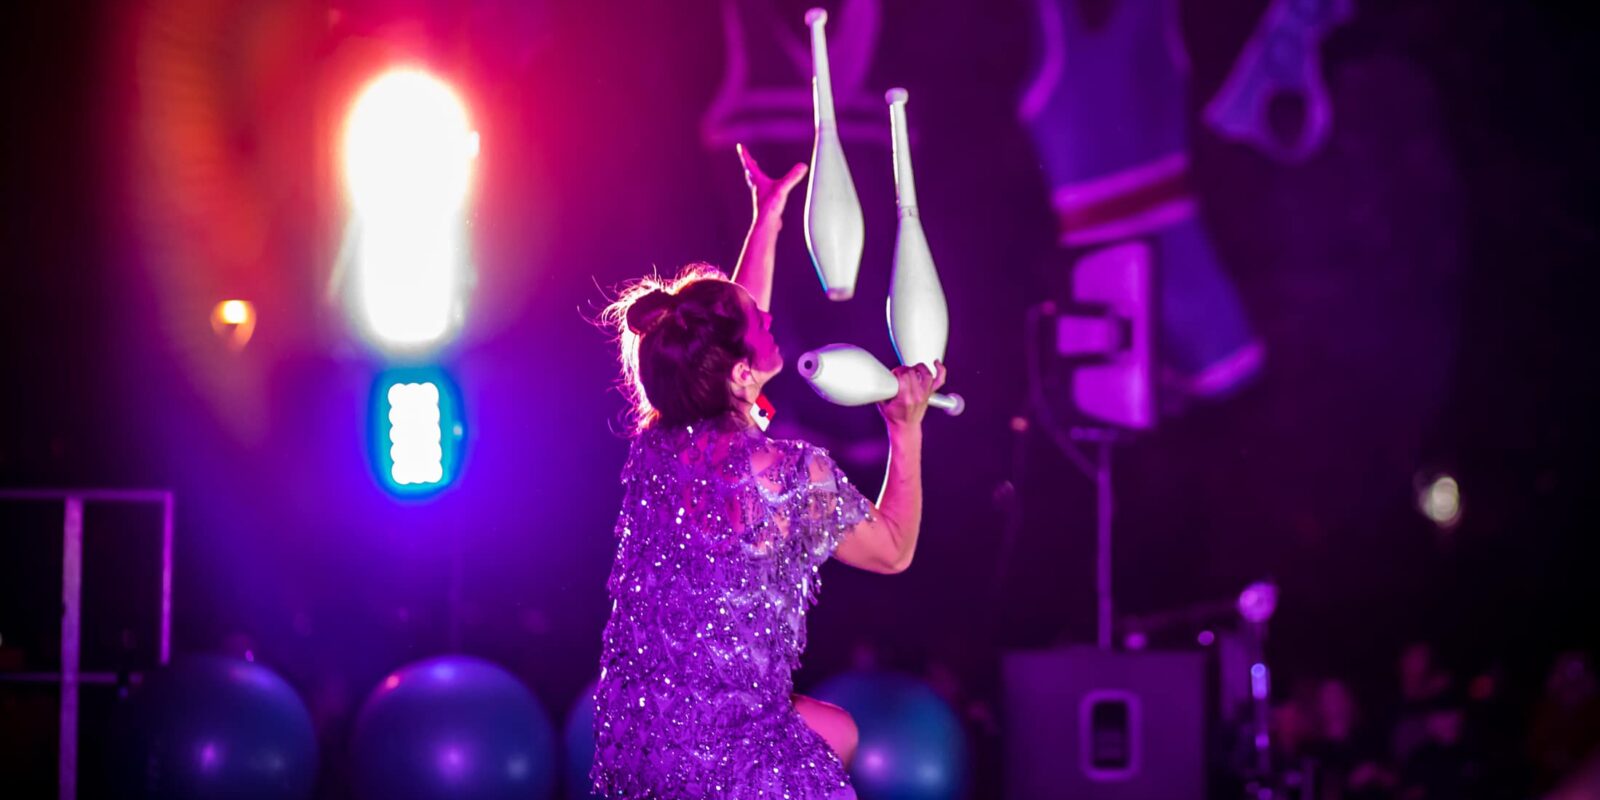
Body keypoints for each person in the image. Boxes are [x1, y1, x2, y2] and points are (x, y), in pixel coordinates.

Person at [589, 145, 948, 800]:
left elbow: (722, 328)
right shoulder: (784, 476)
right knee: (832, 738)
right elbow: (894, 550)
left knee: (831, 727)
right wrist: (905, 425)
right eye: (759, 323)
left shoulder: (657, 447)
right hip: (723, 765)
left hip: (634, 749)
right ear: (739, 375)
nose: (770, 315)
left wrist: (770, 217)